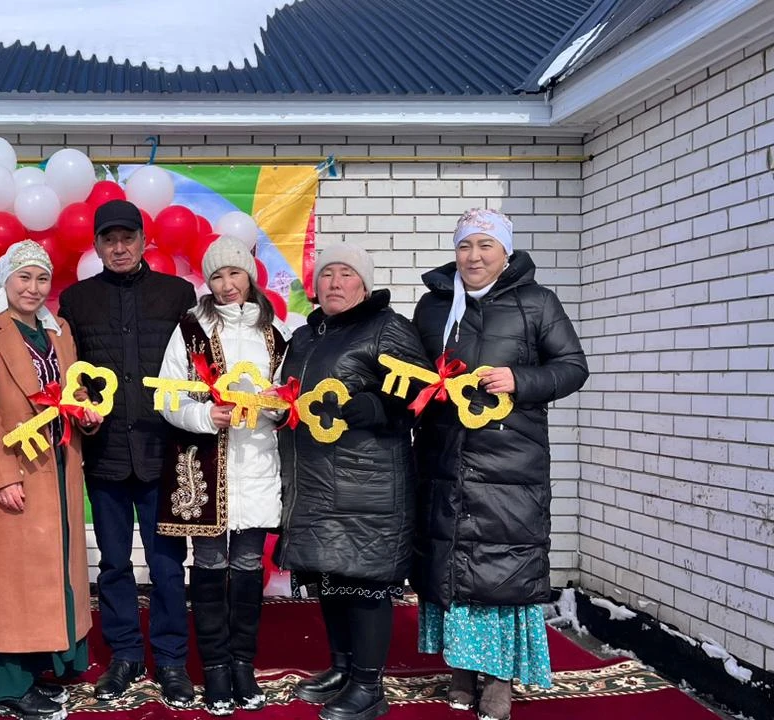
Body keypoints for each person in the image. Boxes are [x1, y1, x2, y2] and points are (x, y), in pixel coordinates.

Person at [411, 209, 588, 720]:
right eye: (466, 246)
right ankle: (462, 670)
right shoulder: (434, 307)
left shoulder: (537, 303)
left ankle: (498, 678)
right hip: (444, 455)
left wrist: (521, 379)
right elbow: (417, 370)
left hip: (511, 458)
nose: (474, 257)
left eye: (486, 246)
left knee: (501, 568)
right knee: (452, 565)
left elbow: (572, 367)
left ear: (505, 252)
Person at [274, 243, 431, 720]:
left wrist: (376, 407)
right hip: (318, 479)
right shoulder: (305, 336)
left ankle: (369, 686)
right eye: (327, 275)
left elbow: (423, 391)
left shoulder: (388, 328)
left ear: (364, 284)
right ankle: (342, 668)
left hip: (369, 482)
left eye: (346, 274)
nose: (335, 283)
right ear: (315, 286)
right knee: (332, 576)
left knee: (364, 583)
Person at [57, 200, 197, 707]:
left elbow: (195, 365)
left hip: (163, 451)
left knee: (165, 566)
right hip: (107, 454)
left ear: (144, 241)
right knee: (113, 564)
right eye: (109, 240)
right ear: (96, 245)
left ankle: (173, 660)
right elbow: (66, 372)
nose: (119, 248)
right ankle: (125, 655)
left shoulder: (178, 294)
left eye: (128, 238)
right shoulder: (76, 300)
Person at [0, 241, 103, 720]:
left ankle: (43, 662)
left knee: (53, 569)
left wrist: (87, 414)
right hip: (16, 468)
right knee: (12, 578)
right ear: (6, 280)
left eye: (42, 279)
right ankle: (6, 683)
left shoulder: (58, 330)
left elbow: (73, 387)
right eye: (24, 278)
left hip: (59, 468)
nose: (34, 288)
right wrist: (0, 477)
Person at [154, 236, 290, 715]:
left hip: (256, 464)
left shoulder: (274, 334)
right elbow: (167, 396)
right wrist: (203, 417)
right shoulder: (190, 329)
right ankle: (213, 668)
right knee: (209, 566)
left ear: (249, 277)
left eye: (235, 274)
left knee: (249, 567)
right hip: (203, 467)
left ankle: (242, 665)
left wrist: (272, 409)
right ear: (207, 282)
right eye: (217, 276)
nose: (228, 285)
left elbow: (290, 397)